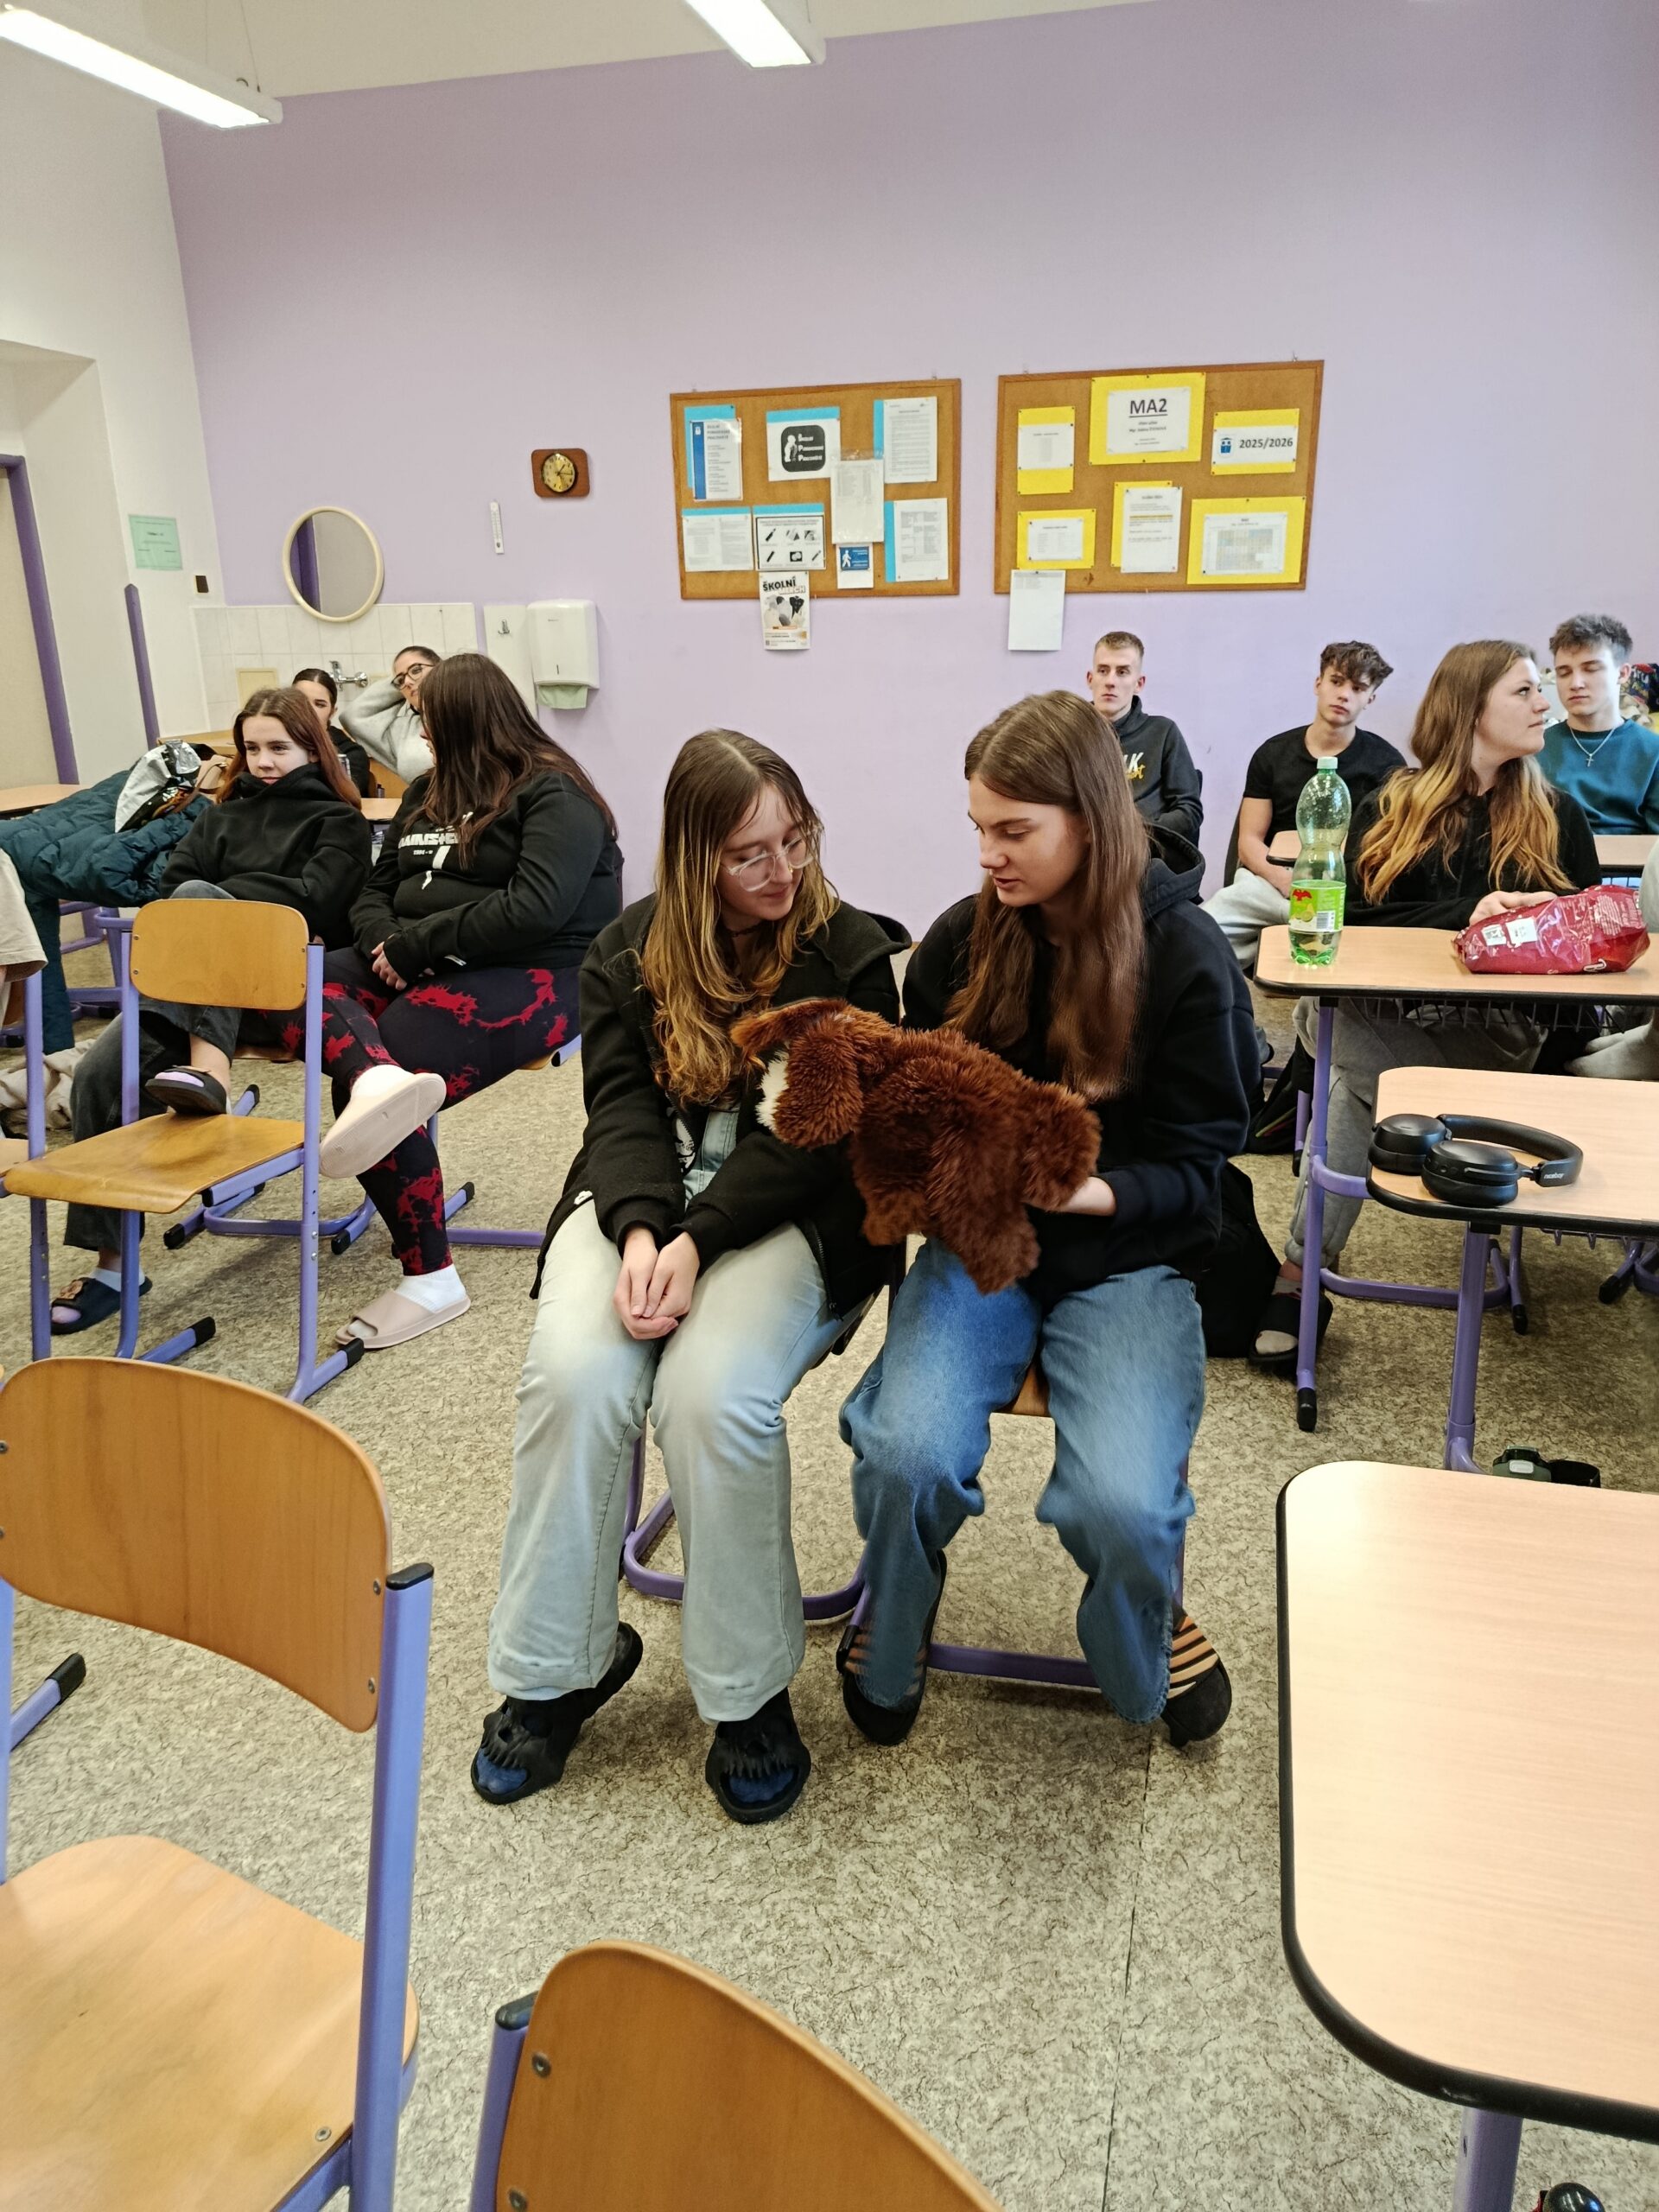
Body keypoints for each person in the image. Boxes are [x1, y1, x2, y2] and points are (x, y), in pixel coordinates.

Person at [477, 730, 907, 1824]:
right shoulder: (626, 951)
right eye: (749, 854)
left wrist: (697, 1240)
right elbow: (620, 1110)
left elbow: (812, 1138)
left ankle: (746, 1691)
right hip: (642, 1200)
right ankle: (557, 1668)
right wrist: (637, 1234)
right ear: (692, 859)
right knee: (575, 1377)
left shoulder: (851, 954)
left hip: (791, 1212)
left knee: (711, 1397)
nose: (783, 870)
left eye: (795, 839)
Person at [837, 690, 1254, 1751]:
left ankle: (1142, 1617)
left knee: (1123, 1506)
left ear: (1091, 820)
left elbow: (1199, 1169)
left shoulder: (1185, 952)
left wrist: (1077, 1190)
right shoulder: (963, 940)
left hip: (1128, 1262)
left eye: (1014, 830)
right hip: (984, 1252)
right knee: (905, 1452)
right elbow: (915, 1095)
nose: (989, 855)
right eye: (978, 827)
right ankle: (897, 1608)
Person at [1252, 641, 1601, 1363]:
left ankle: (1298, 1274)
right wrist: (1466, 915)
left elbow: (1586, 941)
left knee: (1342, 1063)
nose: (1545, 704)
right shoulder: (1390, 804)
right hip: (1386, 1013)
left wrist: (1523, 930)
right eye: (1525, 691)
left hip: (1496, 1032)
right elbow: (1344, 920)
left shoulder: (1557, 816)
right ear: (1470, 708)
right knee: (1336, 1023)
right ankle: (1308, 1260)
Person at [321, 652, 622, 1351]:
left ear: (468, 721)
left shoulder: (555, 794)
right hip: (422, 955)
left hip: (543, 972)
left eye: (429, 719)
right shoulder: (428, 791)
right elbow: (375, 889)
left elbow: (536, 909)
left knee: (389, 1061)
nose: (420, 732)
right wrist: (385, 941)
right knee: (308, 986)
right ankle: (376, 1079)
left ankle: (431, 1282)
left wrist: (416, 947)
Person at [50, 687, 371, 1333]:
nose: (264, 761)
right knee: (98, 1078)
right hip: (196, 996)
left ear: (313, 748)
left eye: (279, 747)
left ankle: (211, 1072)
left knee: (201, 896)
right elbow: (171, 892)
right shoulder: (220, 816)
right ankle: (115, 1266)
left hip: (283, 994)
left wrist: (218, 902)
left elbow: (318, 901)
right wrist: (223, 904)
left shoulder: (339, 821)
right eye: (252, 748)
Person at [1203, 642, 1403, 971]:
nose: (1344, 695)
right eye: (1336, 681)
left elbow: (1387, 851)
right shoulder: (1272, 754)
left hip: (1342, 895)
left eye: (1358, 688)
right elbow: (1249, 841)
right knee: (1195, 940)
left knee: (1344, 968)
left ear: (1371, 698)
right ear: (1318, 683)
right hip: (1270, 886)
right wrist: (1287, 882)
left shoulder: (1387, 764)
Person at [1538, 614, 1659, 833]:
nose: (1576, 683)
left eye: (1591, 669)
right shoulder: (1535, 748)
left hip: (1631, 854)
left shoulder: (1653, 753)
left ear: (1622, 674)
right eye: (1564, 673)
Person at [1086, 630, 1204, 846]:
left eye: (1122, 672)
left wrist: (1136, 833)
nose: (1110, 681)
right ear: (1090, 679)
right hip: (1085, 848)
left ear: (1139, 683)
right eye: (1103, 670)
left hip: (1146, 848)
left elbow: (1190, 812)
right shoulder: (1069, 734)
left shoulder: (1163, 732)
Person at [339, 644, 442, 784]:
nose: (407, 682)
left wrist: (446, 673)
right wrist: (402, 680)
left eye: (416, 670)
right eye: (400, 680)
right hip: (424, 798)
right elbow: (353, 717)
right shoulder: (404, 730)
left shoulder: (468, 713)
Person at [294, 665, 372, 795]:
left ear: (332, 712)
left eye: (320, 704)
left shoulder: (351, 754)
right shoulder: (269, 745)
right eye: (300, 701)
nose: (309, 710)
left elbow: (342, 796)